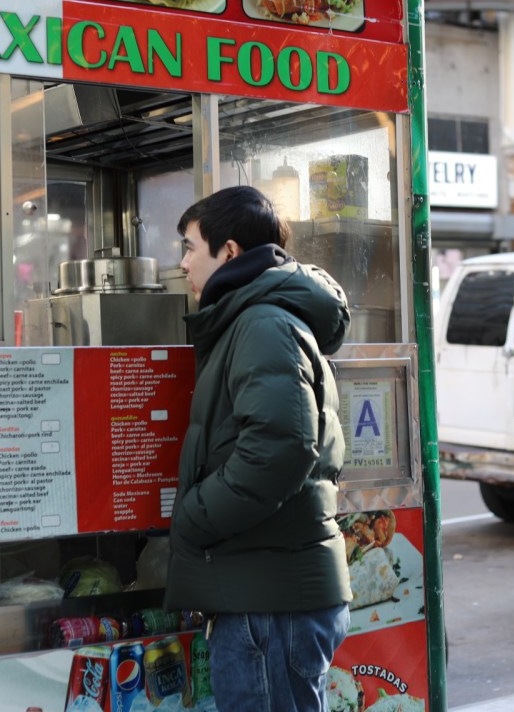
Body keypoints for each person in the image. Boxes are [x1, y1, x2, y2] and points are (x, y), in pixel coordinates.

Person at [164, 185, 352, 712]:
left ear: (228, 252)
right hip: (267, 593)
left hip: (270, 605)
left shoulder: (262, 322)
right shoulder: (254, 319)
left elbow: (282, 448)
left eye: (190, 247)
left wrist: (194, 518)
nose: (182, 264)